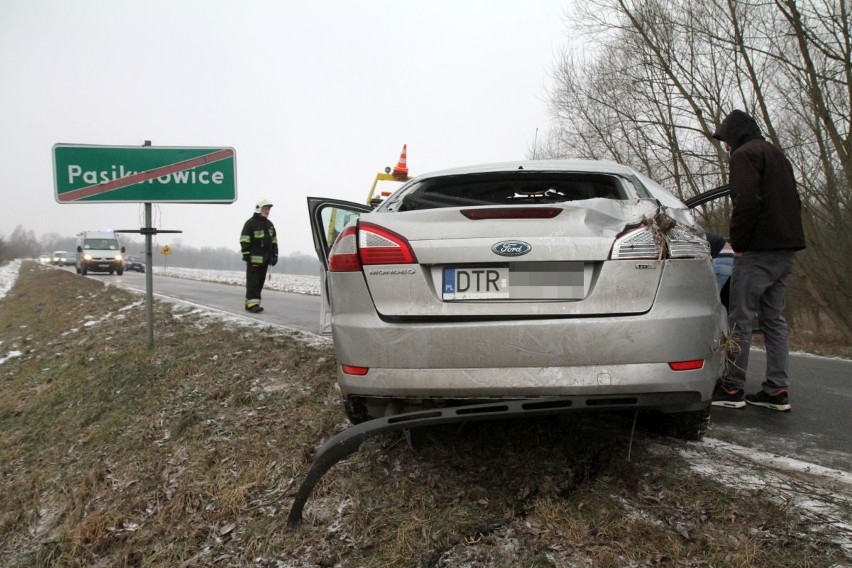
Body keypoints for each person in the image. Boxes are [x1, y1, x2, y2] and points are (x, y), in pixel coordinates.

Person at [710, 110, 806, 411]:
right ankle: (777, 390)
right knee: (774, 320)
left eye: (726, 140)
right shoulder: (777, 155)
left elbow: (746, 200)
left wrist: (737, 242)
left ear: (734, 136)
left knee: (741, 318)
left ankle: (732, 387)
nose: (726, 146)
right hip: (785, 248)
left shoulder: (744, 155)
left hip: (757, 250)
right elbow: (794, 200)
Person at [239, 199, 278, 313]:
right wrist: (246, 254)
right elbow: (244, 239)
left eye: (269, 209)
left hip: (265, 260)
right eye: (266, 209)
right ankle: (252, 305)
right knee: (253, 282)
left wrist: (274, 255)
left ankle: (253, 303)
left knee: (260, 282)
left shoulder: (270, 224)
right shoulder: (250, 223)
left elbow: (274, 242)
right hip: (253, 259)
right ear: (259, 209)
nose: (268, 211)